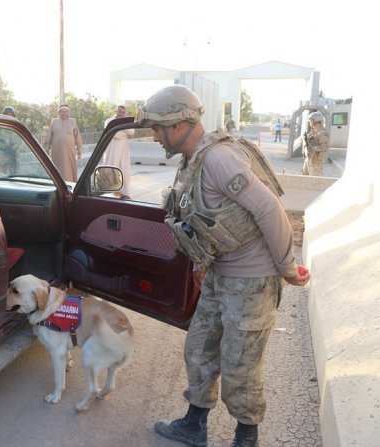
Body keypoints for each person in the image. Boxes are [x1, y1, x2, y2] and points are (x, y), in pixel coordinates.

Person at [137, 85, 310, 447]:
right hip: (220, 275)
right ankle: (194, 425)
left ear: (179, 123)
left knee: (239, 369)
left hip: (253, 281)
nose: (154, 136)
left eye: (157, 127)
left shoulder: (220, 159)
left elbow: (269, 210)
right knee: (198, 349)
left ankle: (246, 437)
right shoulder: (192, 160)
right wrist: (204, 263)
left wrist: (288, 266)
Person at [43, 104, 83, 182]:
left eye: (66, 111)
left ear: (69, 112)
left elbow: (77, 136)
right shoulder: (54, 121)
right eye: (62, 111)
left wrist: (79, 149)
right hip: (57, 151)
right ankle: (58, 183)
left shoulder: (73, 121)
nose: (64, 113)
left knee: (69, 168)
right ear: (59, 112)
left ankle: (70, 183)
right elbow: (49, 136)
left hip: (70, 150)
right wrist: (46, 149)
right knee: (57, 168)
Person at [103, 105, 135, 199]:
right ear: (115, 111)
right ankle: (110, 192)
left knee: (124, 169)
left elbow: (131, 132)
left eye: (123, 112)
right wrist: (123, 132)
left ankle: (124, 193)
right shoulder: (109, 121)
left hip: (123, 150)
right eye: (120, 111)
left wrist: (122, 130)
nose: (121, 114)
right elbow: (114, 134)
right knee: (110, 168)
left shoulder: (126, 121)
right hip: (111, 150)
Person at [302, 111, 329, 176]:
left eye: (310, 121)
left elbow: (323, 148)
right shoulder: (313, 132)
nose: (310, 123)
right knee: (305, 178)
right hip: (309, 159)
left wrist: (311, 148)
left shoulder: (322, 133)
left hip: (315, 161)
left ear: (314, 121)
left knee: (315, 180)